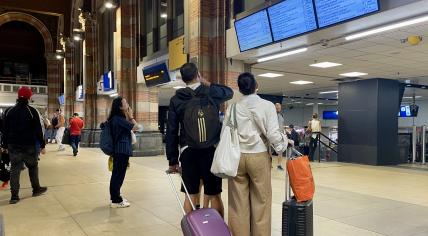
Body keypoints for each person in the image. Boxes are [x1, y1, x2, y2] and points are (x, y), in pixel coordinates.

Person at [166, 62, 233, 217]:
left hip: (188, 151)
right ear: (198, 74)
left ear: (183, 80)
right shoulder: (210, 92)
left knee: (190, 195)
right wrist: (207, 83)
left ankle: (192, 232)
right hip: (211, 151)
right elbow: (228, 92)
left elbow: (172, 131)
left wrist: (172, 160)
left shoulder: (177, 99)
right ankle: (217, 231)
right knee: (215, 194)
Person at [227, 72, 290, 236]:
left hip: (238, 157)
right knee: (261, 202)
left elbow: (226, 133)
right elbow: (273, 134)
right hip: (259, 156)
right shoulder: (267, 105)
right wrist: (283, 143)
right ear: (256, 86)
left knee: (238, 204)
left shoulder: (232, 107)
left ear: (240, 89)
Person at [1, 86, 47, 204]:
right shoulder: (32, 111)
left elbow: (5, 130)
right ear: (29, 97)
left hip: (13, 145)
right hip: (29, 145)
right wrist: (42, 145)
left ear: (18, 97)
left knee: (14, 170)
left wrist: (4, 145)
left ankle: (14, 196)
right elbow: (38, 129)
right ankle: (36, 189)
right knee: (32, 167)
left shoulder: (9, 111)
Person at [107, 97, 138, 208]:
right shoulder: (118, 119)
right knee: (118, 175)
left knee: (117, 174)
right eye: (125, 103)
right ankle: (116, 200)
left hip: (119, 150)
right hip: (121, 150)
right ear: (120, 107)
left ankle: (116, 197)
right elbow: (137, 127)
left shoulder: (116, 118)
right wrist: (131, 116)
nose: (128, 104)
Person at [274, 102, 286, 170]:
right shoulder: (272, 115)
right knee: (268, 151)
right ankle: (268, 164)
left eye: (279, 107)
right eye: (276, 106)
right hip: (273, 135)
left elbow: (282, 125)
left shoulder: (281, 115)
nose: (278, 108)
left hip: (280, 135)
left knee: (280, 150)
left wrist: (284, 133)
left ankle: (279, 165)